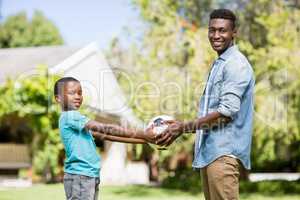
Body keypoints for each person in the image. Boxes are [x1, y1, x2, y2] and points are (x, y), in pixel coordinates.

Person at [156, 9, 255, 200]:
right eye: (212, 30)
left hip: (223, 154)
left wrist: (183, 128)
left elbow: (226, 113)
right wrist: (180, 125)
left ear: (234, 33)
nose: (216, 35)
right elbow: (213, 113)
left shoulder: (235, 64)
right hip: (212, 153)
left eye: (222, 30)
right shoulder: (220, 63)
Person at [54, 77, 155, 200]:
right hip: (80, 176)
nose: (77, 96)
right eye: (71, 93)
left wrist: (145, 140)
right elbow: (105, 128)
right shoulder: (70, 116)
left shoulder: (76, 121)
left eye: (80, 93)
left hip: (87, 175)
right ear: (58, 98)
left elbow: (108, 136)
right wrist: (144, 134)